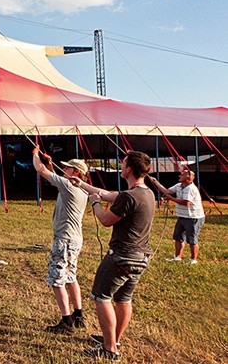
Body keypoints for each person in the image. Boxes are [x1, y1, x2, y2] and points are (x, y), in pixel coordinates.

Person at [69, 150, 155, 361]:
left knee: (101, 297)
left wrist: (94, 203)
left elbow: (106, 220)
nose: (121, 166)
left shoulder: (129, 196)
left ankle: (109, 350)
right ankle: (114, 340)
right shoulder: (146, 193)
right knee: (123, 299)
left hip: (122, 256)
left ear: (129, 169)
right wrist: (81, 183)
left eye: (123, 164)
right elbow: (106, 193)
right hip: (141, 257)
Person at [32, 147, 89, 335]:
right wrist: (50, 164)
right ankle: (78, 315)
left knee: (57, 281)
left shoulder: (68, 186)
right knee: (71, 276)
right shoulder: (80, 189)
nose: (64, 169)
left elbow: (40, 170)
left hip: (64, 240)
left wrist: (35, 153)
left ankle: (66, 322)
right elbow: (53, 176)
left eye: (68, 168)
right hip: (74, 239)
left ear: (76, 173)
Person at [149, 169, 205, 264]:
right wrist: (156, 182)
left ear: (188, 178)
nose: (180, 175)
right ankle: (178, 257)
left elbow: (186, 203)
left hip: (193, 217)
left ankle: (193, 260)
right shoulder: (179, 186)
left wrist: (171, 199)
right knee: (178, 237)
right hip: (182, 216)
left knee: (192, 238)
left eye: (182, 175)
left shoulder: (191, 188)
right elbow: (166, 191)